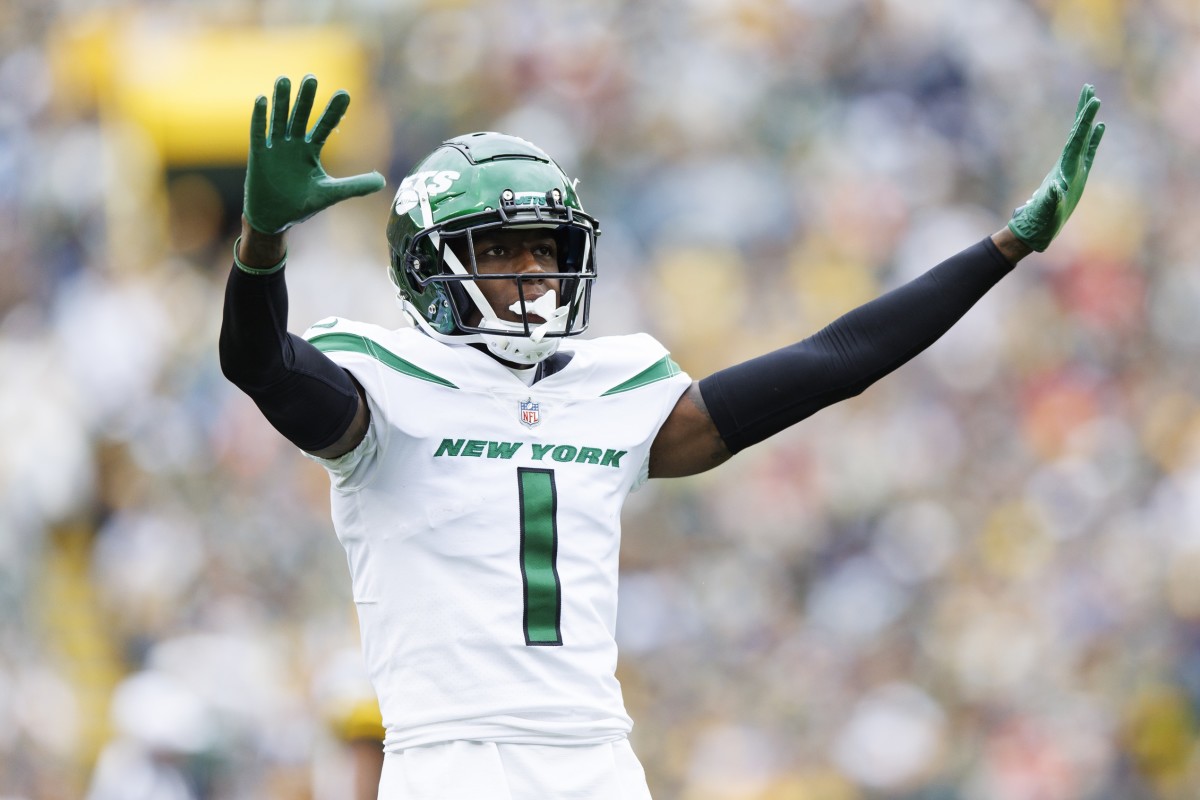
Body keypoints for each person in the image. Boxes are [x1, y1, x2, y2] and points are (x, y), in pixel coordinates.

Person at [219, 74, 1104, 799]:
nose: (535, 272)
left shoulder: (615, 386)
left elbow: (835, 360)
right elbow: (258, 363)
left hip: (599, 756)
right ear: (431, 266)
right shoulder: (383, 385)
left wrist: (1004, 248)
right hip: (453, 760)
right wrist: (261, 244)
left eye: (547, 250)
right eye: (505, 249)